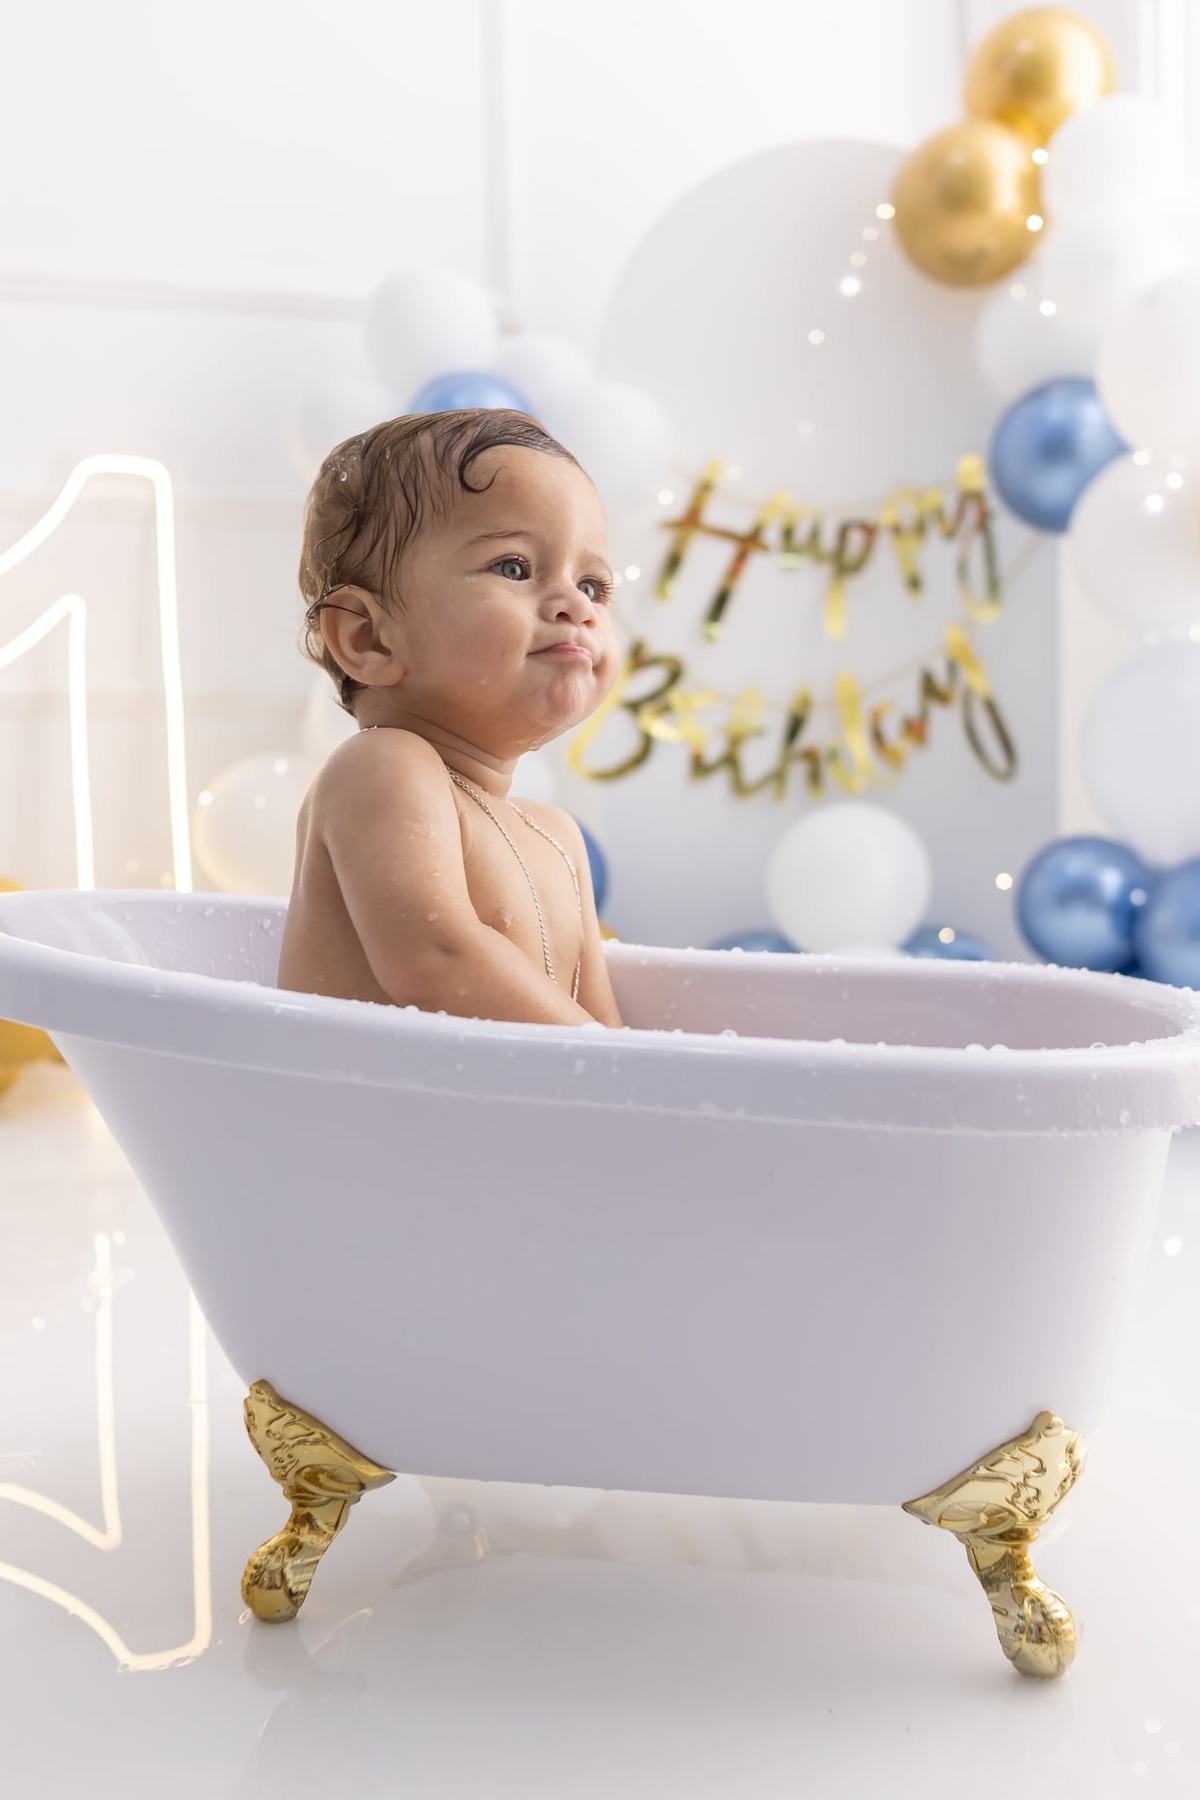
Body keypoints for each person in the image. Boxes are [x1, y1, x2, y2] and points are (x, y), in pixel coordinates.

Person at [276, 407, 624, 1028]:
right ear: (369, 639)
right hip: (366, 1125)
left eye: (594, 585)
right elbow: (437, 959)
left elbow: (597, 1021)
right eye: (514, 567)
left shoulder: (558, 838)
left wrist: (643, 1091)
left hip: (491, 1126)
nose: (577, 605)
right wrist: (627, 1070)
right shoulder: (383, 767)